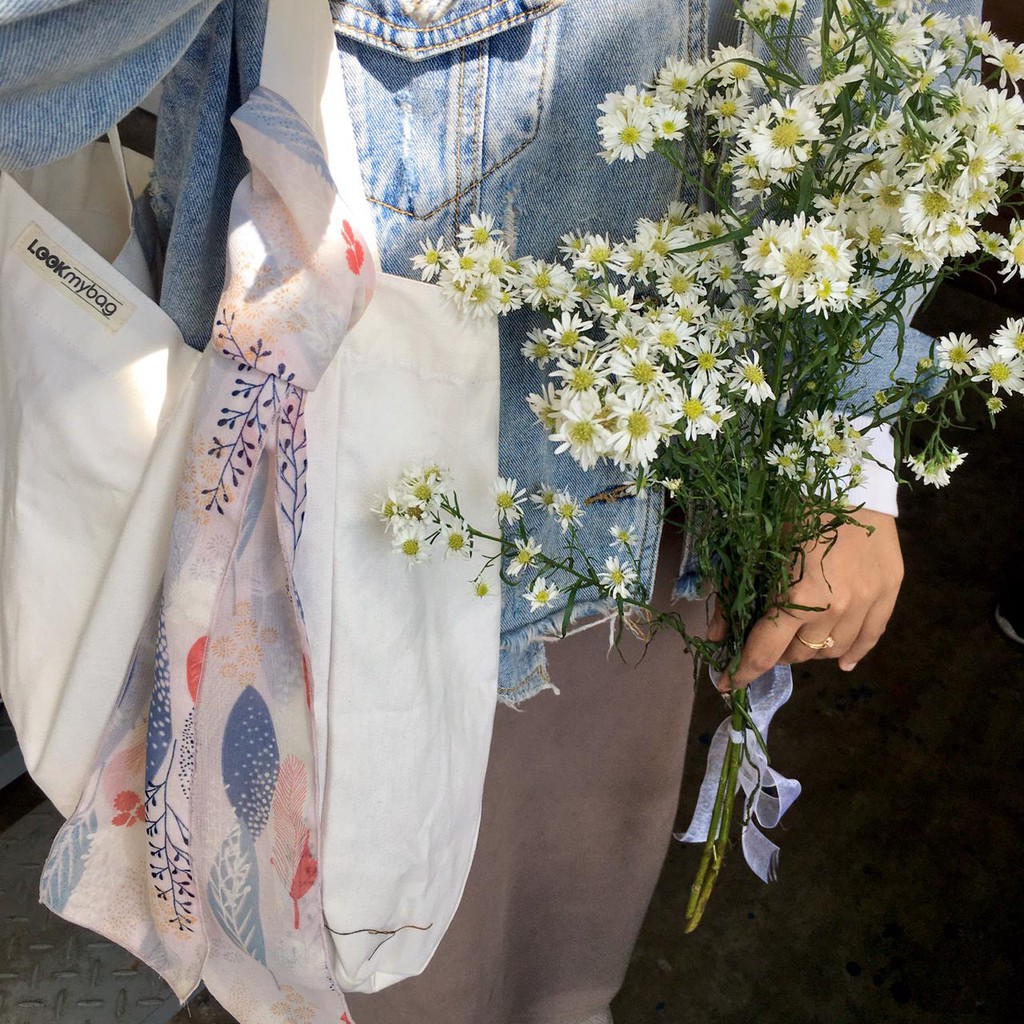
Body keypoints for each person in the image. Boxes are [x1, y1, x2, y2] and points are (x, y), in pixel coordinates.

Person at [0, 2, 975, 1021]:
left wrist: (841, 442)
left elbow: (906, 41)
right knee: (362, 973)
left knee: (564, 970)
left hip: (651, 507)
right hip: (360, 518)